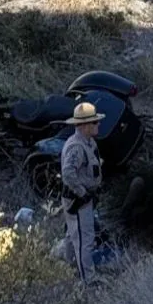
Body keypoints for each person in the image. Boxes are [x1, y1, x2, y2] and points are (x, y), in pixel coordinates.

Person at [59, 101, 106, 285]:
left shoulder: (88, 142)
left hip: (84, 197)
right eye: (94, 122)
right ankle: (89, 279)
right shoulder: (76, 147)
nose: (98, 125)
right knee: (84, 239)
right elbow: (68, 173)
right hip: (79, 200)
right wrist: (82, 192)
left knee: (73, 236)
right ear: (85, 126)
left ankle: (70, 267)